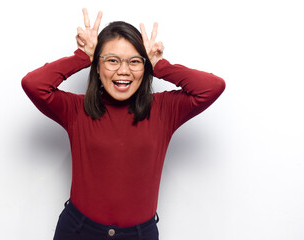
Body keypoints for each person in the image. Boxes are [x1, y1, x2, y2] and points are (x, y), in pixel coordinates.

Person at [22, 8, 225, 240]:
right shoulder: (76, 110)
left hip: (139, 234)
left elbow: (212, 87)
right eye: (112, 61)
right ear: (97, 67)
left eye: (134, 61)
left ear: (144, 67)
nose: (123, 70)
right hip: (78, 231)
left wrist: (159, 64)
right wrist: (82, 57)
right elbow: (33, 84)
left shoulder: (164, 109)